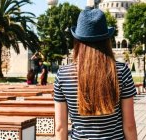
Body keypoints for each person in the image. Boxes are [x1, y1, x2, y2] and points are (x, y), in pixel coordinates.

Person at [54, 8, 137, 140]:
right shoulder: (121, 71)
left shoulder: (63, 75)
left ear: (78, 41)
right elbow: (130, 125)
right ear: (106, 40)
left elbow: (60, 127)